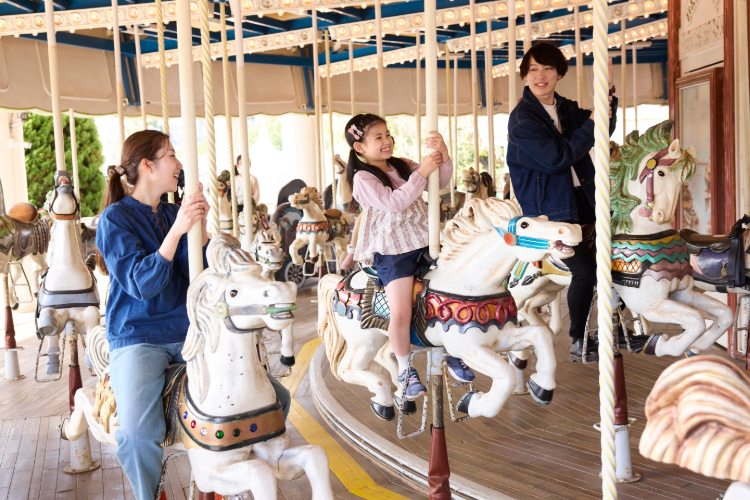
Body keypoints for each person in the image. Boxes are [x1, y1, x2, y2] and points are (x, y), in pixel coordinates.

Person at [95, 130, 291, 500]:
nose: (179, 163)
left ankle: (224, 476)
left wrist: (199, 228)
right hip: (139, 335)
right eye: (170, 155)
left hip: (189, 331)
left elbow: (196, 273)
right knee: (138, 433)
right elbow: (142, 284)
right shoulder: (114, 219)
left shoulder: (172, 212)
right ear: (148, 166)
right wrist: (179, 228)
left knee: (275, 399)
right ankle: (148, 494)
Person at [345, 113, 475, 399]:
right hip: (394, 250)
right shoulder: (363, 177)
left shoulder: (402, 165)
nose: (387, 141)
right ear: (360, 147)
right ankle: (404, 369)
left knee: (452, 292)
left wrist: (442, 152)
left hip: (427, 240)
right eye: (378, 137)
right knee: (402, 310)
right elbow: (395, 203)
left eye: (387, 134)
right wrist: (421, 172)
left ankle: (452, 349)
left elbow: (439, 182)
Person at [506, 42, 618, 363]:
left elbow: (602, 129)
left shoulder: (566, 108)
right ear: (525, 76)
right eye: (533, 69)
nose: (540, 75)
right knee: (585, 270)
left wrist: (606, 96)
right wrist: (594, 121)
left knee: (623, 252)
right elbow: (556, 159)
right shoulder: (522, 120)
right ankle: (579, 339)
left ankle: (623, 323)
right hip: (550, 211)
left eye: (548, 68)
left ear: (559, 74)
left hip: (582, 198)